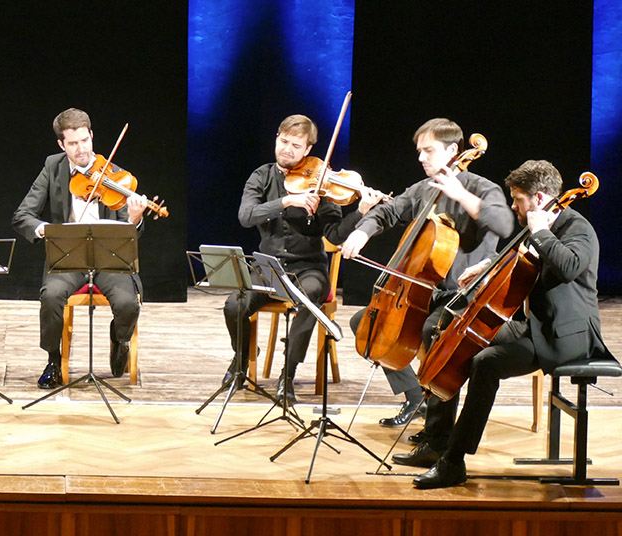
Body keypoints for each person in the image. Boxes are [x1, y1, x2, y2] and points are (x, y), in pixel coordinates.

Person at [411, 159, 610, 488]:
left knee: (485, 362)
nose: (514, 206)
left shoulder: (577, 228)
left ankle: (453, 463)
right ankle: (437, 439)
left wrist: (541, 230)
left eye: (518, 200)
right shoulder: (533, 227)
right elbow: (518, 258)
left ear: (540, 198)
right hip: (533, 326)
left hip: (565, 335)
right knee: (455, 335)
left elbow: (569, 266)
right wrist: (486, 266)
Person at [341, 118, 513, 437]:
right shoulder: (424, 189)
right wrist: (363, 232)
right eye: (419, 151)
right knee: (367, 322)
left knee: (432, 330)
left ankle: (437, 434)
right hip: (427, 293)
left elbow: (505, 225)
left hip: (466, 296)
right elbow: (387, 211)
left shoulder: (481, 188)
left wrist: (462, 196)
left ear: (452, 151)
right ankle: (415, 397)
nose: (421, 157)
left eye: (428, 150)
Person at [220, 114, 379, 405]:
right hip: (268, 267)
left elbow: (335, 233)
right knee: (234, 304)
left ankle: (288, 374)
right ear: (276, 139)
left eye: (296, 145)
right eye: (284, 141)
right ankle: (241, 359)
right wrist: (286, 201)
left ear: (307, 150)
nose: (288, 149)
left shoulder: (322, 182)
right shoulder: (261, 176)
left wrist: (361, 212)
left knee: (309, 299)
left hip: (308, 267)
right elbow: (245, 216)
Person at [12, 107, 148, 388]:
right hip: (68, 259)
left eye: (85, 141)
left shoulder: (115, 175)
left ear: (91, 136)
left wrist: (134, 219)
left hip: (110, 260)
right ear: (62, 144)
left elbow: (133, 234)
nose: (81, 149)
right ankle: (53, 359)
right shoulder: (53, 167)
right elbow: (22, 215)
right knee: (51, 296)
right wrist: (46, 230)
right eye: (72, 144)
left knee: (127, 304)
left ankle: (119, 340)